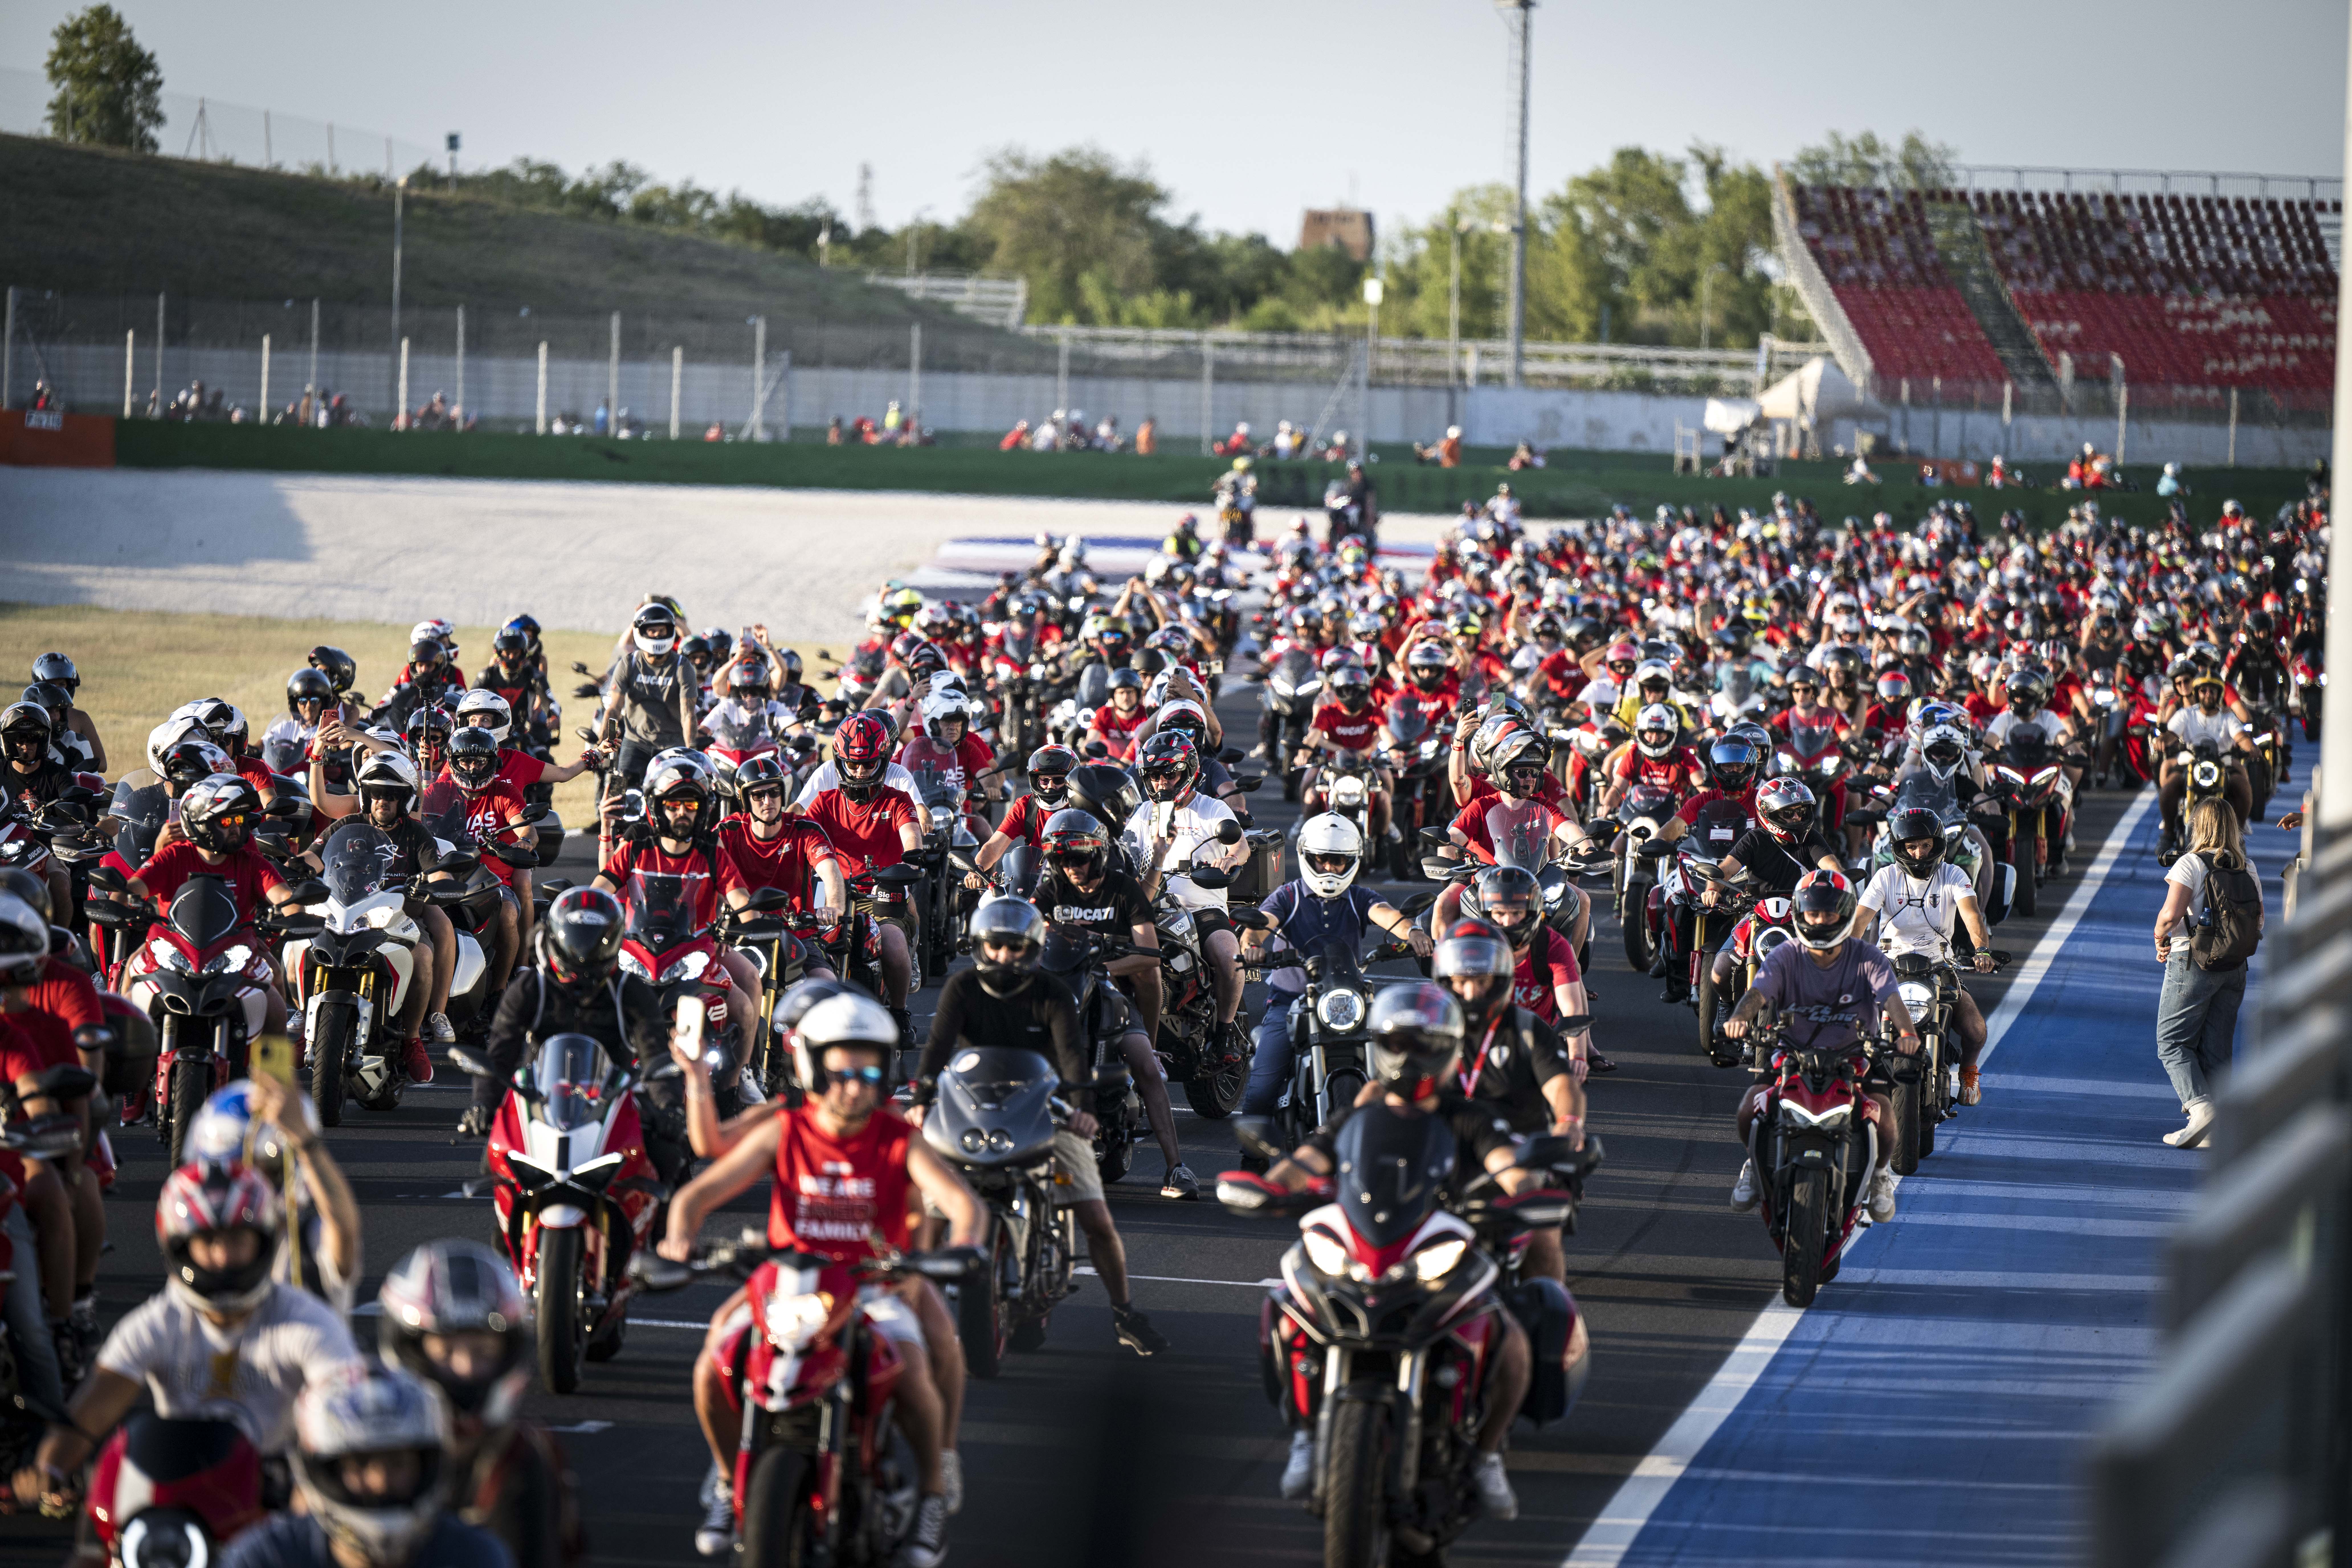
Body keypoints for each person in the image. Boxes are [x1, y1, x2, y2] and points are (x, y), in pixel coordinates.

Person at [660, 991, 984, 1568]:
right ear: (813, 1065)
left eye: (868, 1070)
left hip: (873, 1285)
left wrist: (959, 1250)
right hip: (788, 1283)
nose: (854, 1084)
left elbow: (963, 1205)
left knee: (912, 1370)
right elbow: (697, 1192)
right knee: (713, 1364)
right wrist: (679, 1236)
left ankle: (933, 1492)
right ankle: (725, 1476)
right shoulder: (785, 1126)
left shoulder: (897, 1137)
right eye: (841, 1070)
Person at [1242, 984, 1535, 1518]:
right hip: (1367, 1247)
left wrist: (1527, 1191)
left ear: (1447, 1049)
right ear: (1379, 1045)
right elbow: (1308, 1159)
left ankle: (1486, 1454)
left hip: (1439, 1247)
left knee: (1509, 1337)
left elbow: (1507, 1166)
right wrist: (1268, 1188)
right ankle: (1306, 1432)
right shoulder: (1358, 1113)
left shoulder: (1468, 1115)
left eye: (1423, 1044)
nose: (1409, 1056)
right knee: (1285, 1309)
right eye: (1398, 1042)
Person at [13, 1162, 361, 1512]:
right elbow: (87, 1416)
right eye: (209, 1240)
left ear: (265, 1241)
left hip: (280, 1507)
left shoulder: (307, 1323)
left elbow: (349, 1412)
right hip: (179, 1506)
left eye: (237, 1239)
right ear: (180, 1246)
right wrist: (50, 1467)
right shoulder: (157, 1323)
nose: (223, 1256)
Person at [914, 895, 1168, 1347]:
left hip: (1045, 1106)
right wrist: (921, 1095)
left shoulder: (1051, 992)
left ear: (1033, 949)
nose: (1004, 957)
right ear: (979, 945)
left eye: (1015, 948)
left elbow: (1073, 1056)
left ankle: (1124, 1313)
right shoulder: (962, 987)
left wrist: (1084, 1109)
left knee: (1095, 1216)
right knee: (932, 1207)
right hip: (973, 1105)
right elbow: (936, 1049)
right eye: (995, 947)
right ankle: (912, 1304)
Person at [1720, 870, 1919, 1224]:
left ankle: (1880, 1175)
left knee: (1886, 1116)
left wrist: (1906, 1032)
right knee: (1748, 1109)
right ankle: (1753, 1163)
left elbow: (1891, 998)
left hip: (1858, 1055)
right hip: (1791, 1056)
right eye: (1813, 912)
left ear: (1844, 915)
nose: (1821, 920)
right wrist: (1739, 1018)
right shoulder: (1785, 955)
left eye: (1829, 913)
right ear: (1800, 913)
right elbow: (1757, 993)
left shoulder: (1869, 958)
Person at [377, 1241, 583, 1568]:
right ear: (408, 1347)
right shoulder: (364, 1449)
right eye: (446, 1352)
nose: (466, 1368)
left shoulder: (523, 1456)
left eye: (483, 1352)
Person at [464, 888, 680, 1184]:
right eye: (575, 942)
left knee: (670, 1155)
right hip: (541, 1099)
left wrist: (670, 1106)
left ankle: (664, 1231)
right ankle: (508, 1230)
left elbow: (655, 1053)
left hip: (613, 1100)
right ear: (555, 938)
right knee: (496, 1163)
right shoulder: (531, 987)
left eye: (593, 945)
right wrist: (483, 1104)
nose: (583, 954)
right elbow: (500, 1052)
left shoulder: (630, 990)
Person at [1031, 807, 1193, 1200]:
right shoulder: (1051, 888)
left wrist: (1098, 963)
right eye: (1062, 859)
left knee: (1144, 1064)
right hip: (1058, 990)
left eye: (1080, 858)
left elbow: (1149, 955)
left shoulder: (1124, 889)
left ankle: (1176, 1168)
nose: (1071, 867)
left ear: (1099, 854)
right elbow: (1028, 931)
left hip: (1107, 992)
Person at [220, 1364, 513, 1567]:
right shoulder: (265, 1560)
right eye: (359, 1464)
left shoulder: (475, 1557)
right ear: (323, 1471)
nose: (380, 1481)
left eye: (398, 1463)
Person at [1238, 812, 1432, 1114]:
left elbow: (1386, 913)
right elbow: (1260, 925)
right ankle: (1252, 1159)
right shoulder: (1288, 896)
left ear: (1352, 861)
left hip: (1348, 997)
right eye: (1321, 859)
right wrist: (1251, 945)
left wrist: (1414, 932)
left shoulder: (1359, 897)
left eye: (1338, 860)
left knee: (1398, 1069)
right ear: (1307, 857)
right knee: (1262, 1091)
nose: (1329, 867)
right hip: (1291, 1003)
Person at [1428, 917, 1586, 1282]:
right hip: (1439, 1155)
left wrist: (1569, 1126)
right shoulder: (1429, 1028)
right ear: (1446, 981)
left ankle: (1556, 1327)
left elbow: (1563, 1086)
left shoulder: (1528, 1029)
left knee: (1543, 1242)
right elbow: (1387, 1085)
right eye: (1461, 982)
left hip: (1520, 1152)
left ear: (1499, 981)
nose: (1470, 993)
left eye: (1480, 982)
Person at [593, 751, 763, 1083]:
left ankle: (738, 1080)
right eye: (674, 805)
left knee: (745, 1003)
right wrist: (580, 910)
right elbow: (600, 888)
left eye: (692, 805)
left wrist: (738, 923)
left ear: (704, 808)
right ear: (658, 805)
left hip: (700, 954)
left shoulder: (712, 849)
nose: (682, 813)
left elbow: (742, 900)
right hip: (638, 950)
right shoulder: (637, 844)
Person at [308, 750, 459, 1075]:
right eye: (377, 794)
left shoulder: (417, 833)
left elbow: (439, 872)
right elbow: (314, 855)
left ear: (404, 800)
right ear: (366, 795)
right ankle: (303, 1019)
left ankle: (413, 1037)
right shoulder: (348, 824)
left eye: (391, 796)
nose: (383, 801)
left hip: (399, 918)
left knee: (422, 958)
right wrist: (292, 866)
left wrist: (438, 883)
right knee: (301, 942)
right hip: (347, 912)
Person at [125, 773, 303, 1039]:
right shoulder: (175, 855)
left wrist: (295, 915)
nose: (237, 828)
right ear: (202, 822)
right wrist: (122, 902)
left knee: (277, 1003)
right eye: (227, 821)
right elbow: (134, 888)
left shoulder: (250, 862)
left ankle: (273, 1077)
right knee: (128, 975)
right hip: (171, 946)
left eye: (240, 820)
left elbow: (283, 896)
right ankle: (120, 1061)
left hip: (237, 951)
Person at [1853, 805, 2000, 1106]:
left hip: (1939, 965)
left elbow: (1972, 916)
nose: (1919, 853)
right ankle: (1854, 1078)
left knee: (1976, 1029)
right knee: (1851, 1021)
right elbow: (1860, 920)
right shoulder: (1885, 877)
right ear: (1899, 848)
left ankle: (1969, 1072)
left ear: (1937, 844)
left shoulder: (1954, 874)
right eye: (1912, 846)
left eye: (1925, 845)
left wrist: (1982, 949)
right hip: (1889, 965)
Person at [187, 1075, 366, 1315]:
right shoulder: (196, 1250)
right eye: (224, 1173)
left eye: (256, 1173)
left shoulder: (308, 1246)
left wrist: (303, 1139)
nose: (239, 1189)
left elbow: (344, 1230)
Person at [796, 713, 921, 1038]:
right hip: (830, 896)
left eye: (868, 764)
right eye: (853, 764)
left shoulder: (898, 800)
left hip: (884, 895)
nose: (861, 772)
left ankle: (899, 1011)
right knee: (805, 947)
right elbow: (802, 836)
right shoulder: (824, 803)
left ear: (883, 761)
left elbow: (911, 835)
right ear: (841, 762)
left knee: (893, 942)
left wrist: (911, 859)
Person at [1126, 730, 1248, 1062]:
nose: (1163, 782)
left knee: (1229, 957)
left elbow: (1240, 842)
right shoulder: (1142, 814)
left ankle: (1223, 1036)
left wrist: (1230, 858)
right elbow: (1125, 850)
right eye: (1155, 775)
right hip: (1153, 905)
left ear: (1189, 770)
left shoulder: (1211, 808)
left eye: (1170, 773)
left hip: (1202, 907)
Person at [2151, 797, 2263, 1149]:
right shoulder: (2248, 867)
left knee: (2171, 1041)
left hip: (2193, 962)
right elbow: (2259, 920)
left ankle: (2200, 1108)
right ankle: (2217, 1129)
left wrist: (2159, 937)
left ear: (2197, 826)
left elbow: (2171, 915)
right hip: (2235, 968)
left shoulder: (2191, 863)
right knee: (2217, 1048)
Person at [712, 754, 846, 980]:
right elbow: (706, 874)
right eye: (758, 795)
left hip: (798, 934)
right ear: (744, 799)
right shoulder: (728, 830)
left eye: (774, 792)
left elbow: (830, 871)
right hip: (742, 934)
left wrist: (833, 907)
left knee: (827, 984)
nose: (768, 801)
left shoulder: (804, 829)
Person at [595, 604, 700, 795]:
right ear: (641, 632)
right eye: (652, 631)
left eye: (662, 631)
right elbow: (614, 710)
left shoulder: (683, 666)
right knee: (617, 794)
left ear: (671, 632)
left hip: (673, 744)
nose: (658, 635)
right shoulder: (629, 664)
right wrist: (603, 747)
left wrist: (691, 752)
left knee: (681, 794)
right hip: (636, 742)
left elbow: (688, 715)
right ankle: (613, 826)